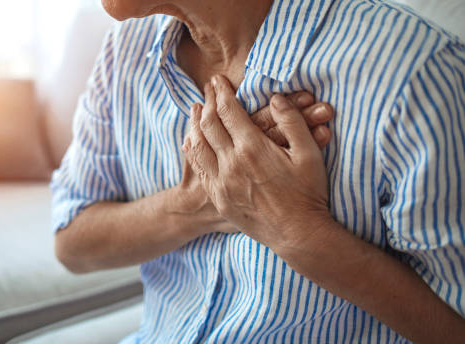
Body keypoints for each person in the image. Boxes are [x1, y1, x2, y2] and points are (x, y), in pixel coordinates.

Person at [50, 0, 465, 342]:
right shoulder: (125, 49)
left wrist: (300, 231)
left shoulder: (416, 74)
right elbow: (72, 244)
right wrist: (201, 202)